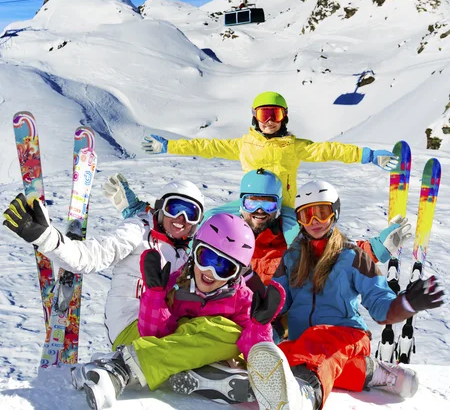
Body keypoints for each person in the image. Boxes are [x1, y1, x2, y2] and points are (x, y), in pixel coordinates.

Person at [245, 180, 445, 410]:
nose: (315, 222)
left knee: (316, 343)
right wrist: (258, 301)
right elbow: (278, 300)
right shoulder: (291, 258)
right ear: (299, 220)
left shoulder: (352, 256)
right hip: (307, 344)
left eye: (322, 213)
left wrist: (406, 304)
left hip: (347, 334)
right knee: (285, 355)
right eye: (307, 215)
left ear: (334, 212)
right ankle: (374, 372)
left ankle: (306, 393)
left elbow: (380, 305)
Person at [71, 213, 286, 410]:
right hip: (166, 346)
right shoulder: (176, 285)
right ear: (194, 253)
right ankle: (122, 367)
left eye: (224, 267)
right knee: (220, 330)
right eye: (206, 258)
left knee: (232, 333)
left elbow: (256, 355)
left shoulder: (242, 299)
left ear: (235, 275)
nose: (210, 272)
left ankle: (198, 372)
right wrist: (155, 296)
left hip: (203, 353)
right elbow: (153, 335)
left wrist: (259, 326)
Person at [108, 169, 412, 286]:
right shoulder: (221, 225)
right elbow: (179, 227)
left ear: (277, 206)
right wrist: (136, 210)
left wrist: (376, 249)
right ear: (241, 202)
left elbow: (333, 251)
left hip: (271, 317)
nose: (258, 213)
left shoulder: (290, 232)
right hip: (221, 308)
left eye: (267, 205)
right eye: (253, 203)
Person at [3, 179, 205, 352]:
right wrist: (47, 238)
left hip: (163, 324)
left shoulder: (186, 250)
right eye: (175, 208)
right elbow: (91, 256)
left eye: (191, 213)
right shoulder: (137, 231)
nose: (181, 219)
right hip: (132, 324)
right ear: (161, 207)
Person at [141, 91, 399, 209]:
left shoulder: (294, 147)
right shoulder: (243, 145)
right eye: (264, 114)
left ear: (284, 117)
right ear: (254, 117)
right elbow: (205, 146)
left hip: (283, 209)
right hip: (249, 207)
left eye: (275, 113)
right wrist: (168, 146)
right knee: (211, 221)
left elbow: (330, 150)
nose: (269, 120)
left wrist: (369, 156)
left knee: (290, 250)